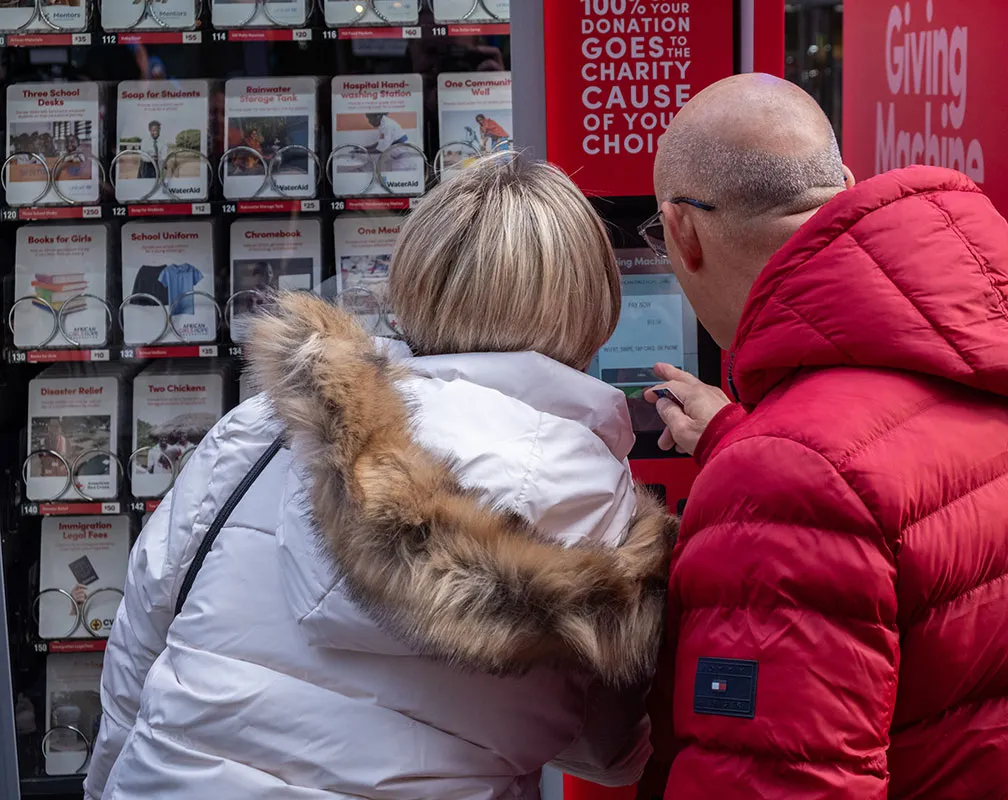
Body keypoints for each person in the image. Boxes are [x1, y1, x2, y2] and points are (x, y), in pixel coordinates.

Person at [84, 153, 675, 799]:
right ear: (593, 300)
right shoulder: (604, 502)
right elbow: (608, 751)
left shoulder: (268, 424)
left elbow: (142, 635)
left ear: (417, 275)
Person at [636, 74, 1008, 799]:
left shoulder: (789, 474)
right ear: (846, 185)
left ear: (682, 228)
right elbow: (918, 516)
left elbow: (780, 784)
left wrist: (758, 472)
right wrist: (742, 444)